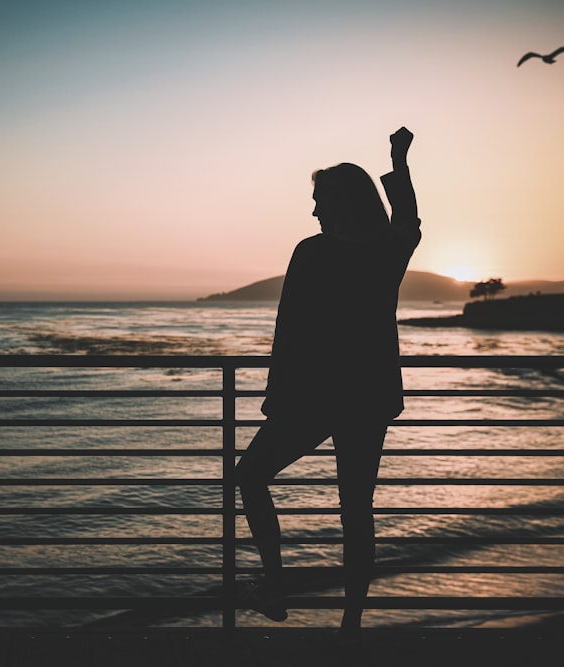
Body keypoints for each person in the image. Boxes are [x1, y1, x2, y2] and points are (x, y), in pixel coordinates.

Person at [234, 127, 421, 643]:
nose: (314, 211)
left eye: (319, 200)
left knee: (250, 476)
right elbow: (408, 220)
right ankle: (351, 626)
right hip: (366, 399)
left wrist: (277, 399)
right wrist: (398, 162)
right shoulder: (387, 251)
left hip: (314, 400)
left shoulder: (313, 252)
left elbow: (288, 333)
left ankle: (276, 588)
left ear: (341, 201)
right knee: (356, 511)